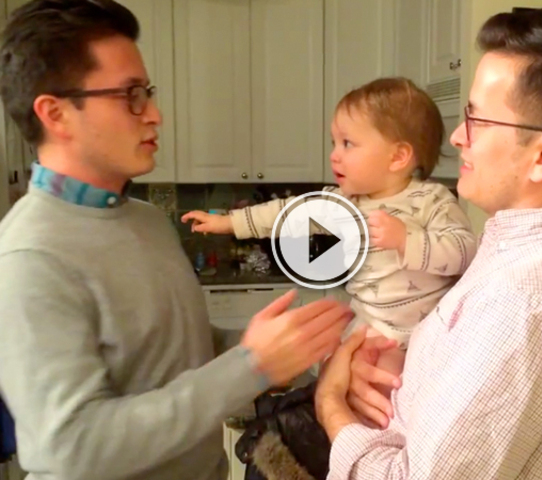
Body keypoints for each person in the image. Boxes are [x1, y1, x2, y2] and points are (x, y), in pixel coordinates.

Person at [0, 1, 352, 480]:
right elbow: (73, 446)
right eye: (131, 95)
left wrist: (288, 351)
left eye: (147, 92)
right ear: (55, 113)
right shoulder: (29, 257)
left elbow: (178, 351)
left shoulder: (144, 219)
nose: (155, 114)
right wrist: (252, 365)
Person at [314, 7, 542, 480]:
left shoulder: (522, 302)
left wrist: (330, 403)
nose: (457, 136)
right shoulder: (517, 260)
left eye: (478, 120)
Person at [182, 77, 477, 384]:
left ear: (398, 156)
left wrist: (407, 241)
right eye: (333, 143)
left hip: (424, 337)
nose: (334, 155)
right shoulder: (344, 202)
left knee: (384, 387)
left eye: (348, 143)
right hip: (367, 329)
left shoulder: (432, 199)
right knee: (329, 370)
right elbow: (286, 213)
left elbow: (464, 252)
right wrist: (230, 222)